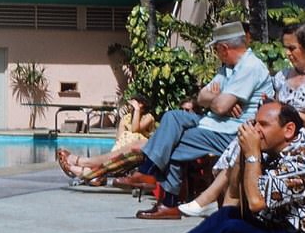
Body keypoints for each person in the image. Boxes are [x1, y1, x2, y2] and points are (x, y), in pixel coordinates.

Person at [96, 101, 305, 233]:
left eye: (264, 125)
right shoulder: (271, 150)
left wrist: (251, 154)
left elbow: (256, 203)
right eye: (255, 123)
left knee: (233, 231)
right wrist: (243, 152)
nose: (256, 130)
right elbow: (234, 199)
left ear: (288, 130)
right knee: (226, 217)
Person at [116, 22, 273, 219]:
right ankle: (151, 175)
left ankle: (164, 196)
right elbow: (201, 97)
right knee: (172, 116)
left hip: (232, 132)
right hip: (213, 123)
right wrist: (220, 99)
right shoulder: (229, 68)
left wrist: (217, 100)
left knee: (174, 144)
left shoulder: (250, 67)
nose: (216, 53)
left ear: (224, 48)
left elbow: (220, 107)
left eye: (216, 49)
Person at [181, 23, 305, 217]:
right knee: (246, 135)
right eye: (285, 47)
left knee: (248, 139)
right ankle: (220, 205)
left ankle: (211, 199)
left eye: (292, 48)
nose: (287, 53)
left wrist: (292, 113)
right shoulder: (282, 77)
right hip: (277, 134)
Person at [58, 94, 155, 179]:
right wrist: (122, 122)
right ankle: (87, 171)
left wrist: (137, 109)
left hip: (137, 151)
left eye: (132, 104)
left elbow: (135, 129)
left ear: (141, 104)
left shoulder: (148, 117)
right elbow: (119, 138)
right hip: (125, 149)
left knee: (114, 160)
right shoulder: (127, 118)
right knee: (111, 160)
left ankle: (83, 166)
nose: (129, 106)